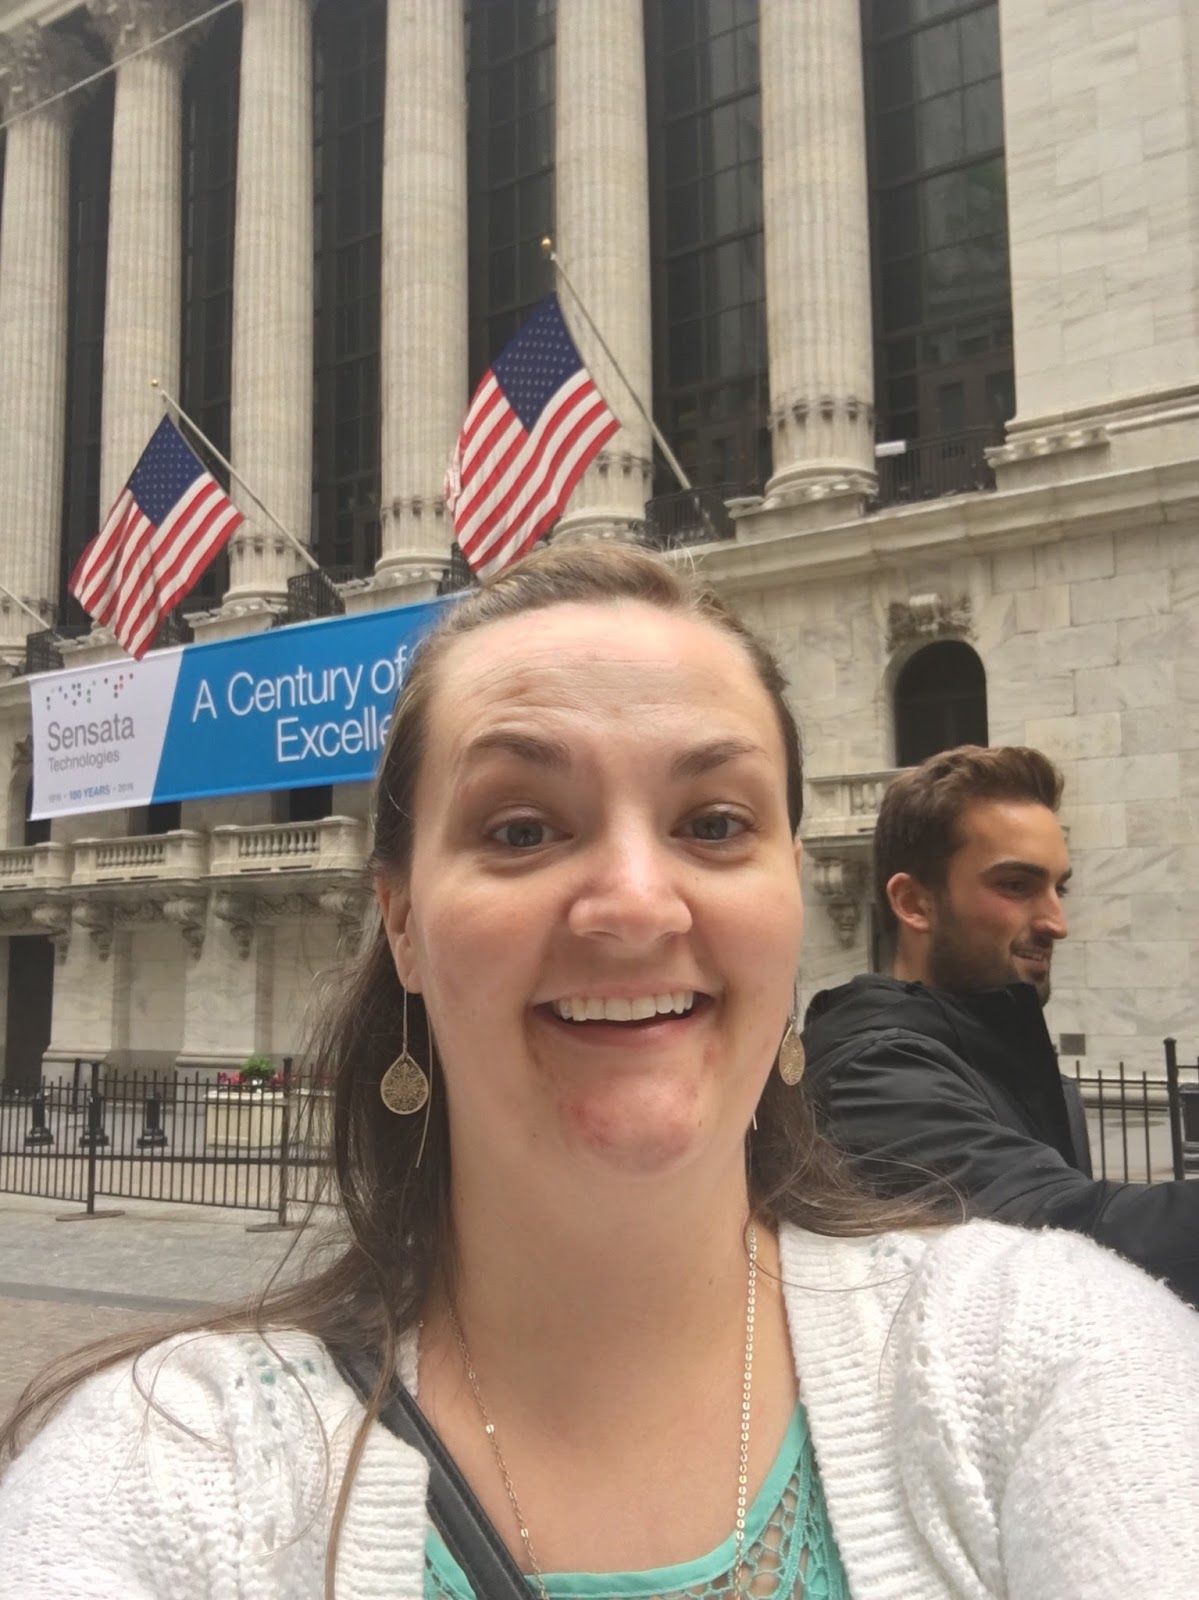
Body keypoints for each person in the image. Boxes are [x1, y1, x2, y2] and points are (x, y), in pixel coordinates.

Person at [1, 548, 1197, 1600]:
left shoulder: (1049, 1355)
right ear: (402, 919)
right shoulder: (164, 1460)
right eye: (520, 828)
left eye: (713, 823)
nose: (633, 903)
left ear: (790, 894)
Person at [803, 744, 1199, 1306]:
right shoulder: (870, 1074)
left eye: (1059, 888)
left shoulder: (1014, 1066)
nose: (1057, 922)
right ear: (914, 903)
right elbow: (1071, 1240)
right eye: (1016, 885)